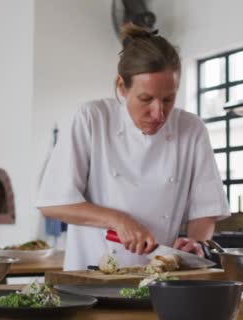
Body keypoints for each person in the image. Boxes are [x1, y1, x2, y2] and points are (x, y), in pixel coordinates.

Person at [36, 25, 229, 271]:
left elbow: (206, 209)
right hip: (92, 277)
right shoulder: (93, 118)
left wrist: (195, 244)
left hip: (162, 276)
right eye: (146, 99)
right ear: (122, 86)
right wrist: (118, 220)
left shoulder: (191, 129)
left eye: (168, 99)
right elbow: (52, 202)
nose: (158, 113)